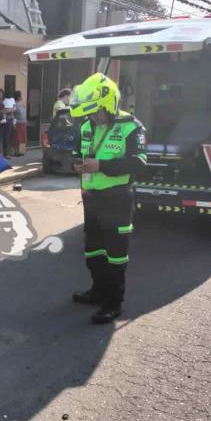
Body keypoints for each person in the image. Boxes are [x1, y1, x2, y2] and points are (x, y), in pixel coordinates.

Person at [70, 73, 146, 324]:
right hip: (91, 198)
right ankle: (98, 291)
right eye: (89, 114)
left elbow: (139, 163)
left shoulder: (132, 127)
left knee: (115, 254)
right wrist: (78, 164)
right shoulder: (85, 126)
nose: (93, 118)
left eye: (97, 113)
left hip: (117, 200)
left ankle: (113, 303)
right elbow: (79, 152)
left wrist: (100, 165)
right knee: (93, 250)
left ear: (109, 105)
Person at [0, 89, 13, 158]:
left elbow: (12, 108)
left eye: (0, 93)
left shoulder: (6, 101)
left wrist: (9, 110)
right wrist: (2, 111)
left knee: (6, 138)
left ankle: (5, 154)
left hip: (7, 121)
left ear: (3, 94)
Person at [12, 90, 27, 157]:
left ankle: (18, 151)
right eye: (20, 95)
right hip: (17, 123)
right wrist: (14, 123)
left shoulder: (21, 104)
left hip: (23, 123)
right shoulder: (14, 105)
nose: (21, 97)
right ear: (17, 97)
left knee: (20, 139)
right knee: (16, 138)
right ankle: (16, 152)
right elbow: (13, 114)